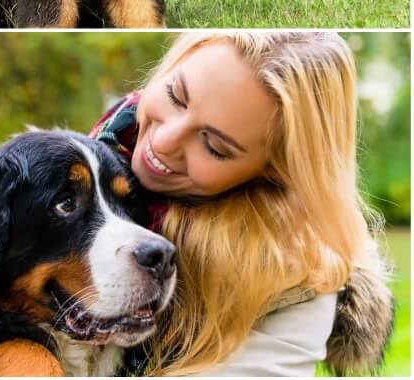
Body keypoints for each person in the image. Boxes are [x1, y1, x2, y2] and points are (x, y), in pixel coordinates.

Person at [88, 31, 393, 376]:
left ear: (274, 174)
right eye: (176, 95)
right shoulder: (88, 164)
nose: (162, 141)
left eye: (214, 146)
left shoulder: (293, 279)